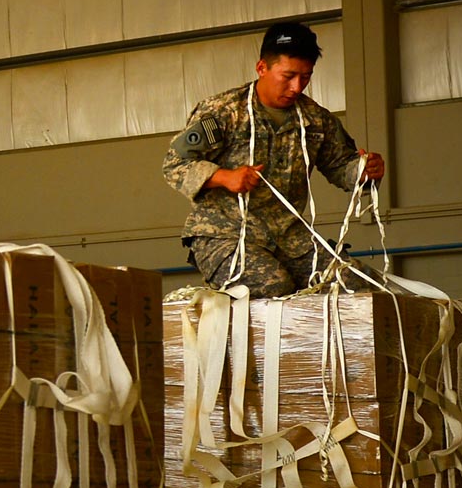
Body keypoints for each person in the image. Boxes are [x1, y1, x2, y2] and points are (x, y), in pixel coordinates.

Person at [160, 20, 387, 297]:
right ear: (262, 68)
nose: (296, 87)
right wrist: (225, 177)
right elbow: (175, 165)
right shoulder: (223, 112)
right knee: (273, 286)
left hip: (291, 240)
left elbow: (342, 166)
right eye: (288, 76)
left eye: (305, 77)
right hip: (225, 236)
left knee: (359, 285)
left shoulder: (315, 119)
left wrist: (364, 172)